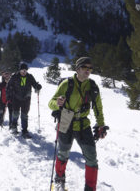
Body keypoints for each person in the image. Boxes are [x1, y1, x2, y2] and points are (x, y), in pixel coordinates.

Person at [48, 57, 107, 191]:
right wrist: (57, 103)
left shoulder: (92, 86)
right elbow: (51, 103)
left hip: (83, 124)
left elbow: (98, 107)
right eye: (85, 67)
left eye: (90, 68)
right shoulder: (66, 84)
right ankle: (59, 180)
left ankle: (90, 188)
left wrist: (101, 125)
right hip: (66, 123)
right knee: (63, 154)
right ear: (78, 69)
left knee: (91, 157)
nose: (88, 71)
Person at [7, 63, 42, 138]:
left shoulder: (30, 77)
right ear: (19, 70)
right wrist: (9, 96)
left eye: (25, 70)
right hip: (16, 98)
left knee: (24, 115)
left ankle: (25, 131)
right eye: (22, 70)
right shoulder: (15, 76)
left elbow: (34, 84)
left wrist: (37, 86)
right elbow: (8, 86)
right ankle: (14, 127)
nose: (24, 72)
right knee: (15, 113)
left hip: (26, 99)